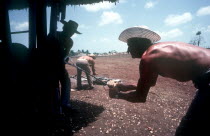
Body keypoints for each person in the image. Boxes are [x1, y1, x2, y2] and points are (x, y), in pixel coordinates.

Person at [112, 26, 210, 135]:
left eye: (129, 45)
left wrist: (117, 95)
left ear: (137, 43)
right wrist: (122, 86)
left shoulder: (148, 57)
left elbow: (140, 97)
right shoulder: (158, 50)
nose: (128, 50)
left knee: (186, 130)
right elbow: (150, 84)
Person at [47, 20, 81, 114]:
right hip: (49, 65)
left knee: (66, 82)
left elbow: (66, 55)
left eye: (73, 32)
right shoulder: (54, 34)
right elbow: (46, 49)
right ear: (64, 28)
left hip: (60, 65)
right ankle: (55, 108)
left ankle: (65, 105)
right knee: (54, 86)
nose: (72, 33)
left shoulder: (70, 41)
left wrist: (64, 59)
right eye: (71, 30)